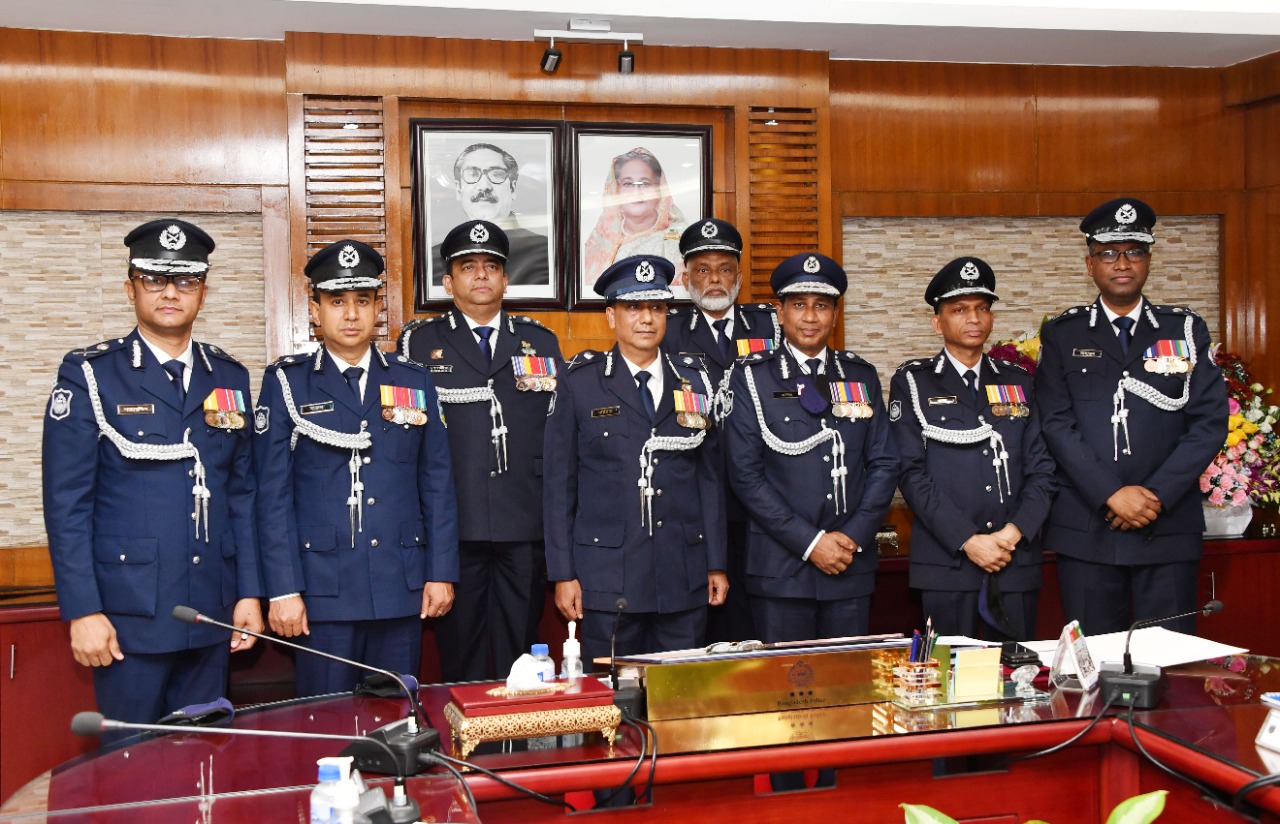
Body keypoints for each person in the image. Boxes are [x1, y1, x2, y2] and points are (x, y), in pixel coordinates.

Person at [42, 218, 263, 725]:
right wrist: (82, 611)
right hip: (127, 619)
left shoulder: (227, 375)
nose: (170, 293)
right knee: (130, 772)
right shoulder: (92, 374)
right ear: (130, 288)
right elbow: (67, 505)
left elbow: (241, 495)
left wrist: (249, 592)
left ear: (203, 293)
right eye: (154, 280)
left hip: (210, 612)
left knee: (204, 769)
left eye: (185, 280)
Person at [254, 239, 459, 696]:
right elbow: (271, 496)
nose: (350, 315)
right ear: (315, 310)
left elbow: (437, 483)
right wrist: (283, 589)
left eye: (362, 301)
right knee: (327, 729)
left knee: (396, 727)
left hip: (400, 586)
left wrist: (440, 571)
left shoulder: (413, 380)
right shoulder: (287, 382)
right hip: (322, 591)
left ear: (377, 308)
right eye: (337, 302)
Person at [1035, 198, 1227, 635]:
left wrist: (1154, 495)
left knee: (1170, 668)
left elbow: (1209, 422)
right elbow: (1056, 424)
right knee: (1095, 669)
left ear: (1148, 260)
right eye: (1108, 253)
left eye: (1134, 252)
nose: (1122, 263)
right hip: (1088, 529)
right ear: (1090, 264)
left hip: (1167, 528)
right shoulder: (1064, 333)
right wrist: (1111, 494)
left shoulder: (1184, 330)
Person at [399, 220, 563, 682]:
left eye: (491, 266)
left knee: (522, 653)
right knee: (461, 650)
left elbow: (554, 437)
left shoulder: (541, 341)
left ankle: (518, 748)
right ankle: (465, 742)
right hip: (457, 522)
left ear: (506, 279)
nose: (481, 276)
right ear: (448, 282)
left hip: (523, 521)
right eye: (468, 267)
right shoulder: (420, 342)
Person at [544, 254, 727, 666]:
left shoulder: (695, 380)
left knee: (680, 703)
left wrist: (716, 563)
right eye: (633, 307)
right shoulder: (581, 382)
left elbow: (709, 481)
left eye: (656, 308)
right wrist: (562, 574)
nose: (646, 319)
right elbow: (558, 488)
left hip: (682, 575)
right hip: (607, 578)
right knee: (611, 707)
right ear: (611, 316)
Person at [725, 252, 899, 643]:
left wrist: (851, 536)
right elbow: (745, 476)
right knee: (784, 690)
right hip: (780, 569)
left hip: (849, 564)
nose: (809, 317)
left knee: (846, 689)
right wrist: (811, 543)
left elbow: (885, 463)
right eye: (799, 305)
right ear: (780, 313)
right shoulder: (751, 376)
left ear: (835, 315)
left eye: (821, 306)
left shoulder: (860, 375)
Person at [888, 257, 1056, 641]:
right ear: (937, 322)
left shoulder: (1019, 382)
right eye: (959, 310)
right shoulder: (914, 383)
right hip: (948, 563)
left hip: (1015, 558)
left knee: (1017, 680)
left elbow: (1043, 469)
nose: (974, 319)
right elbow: (911, 473)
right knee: (950, 682)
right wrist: (969, 540)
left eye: (982, 308)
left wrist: (1013, 533)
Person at [663, 218, 780, 642]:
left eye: (725, 268)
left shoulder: (773, 326)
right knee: (703, 610)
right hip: (695, 491)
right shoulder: (667, 330)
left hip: (766, 494)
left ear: (740, 276)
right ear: (685, 277)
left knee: (761, 607)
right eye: (702, 269)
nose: (714, 279)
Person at [430, 143, 550, 287]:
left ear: (512, 188)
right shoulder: (434, 259)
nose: (484, 186)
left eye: (496, 174)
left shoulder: (543, 252)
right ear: (458, 189)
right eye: (472, 174)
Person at [582, 148, 687, 288]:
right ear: (615, 189)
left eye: (645, 184)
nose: (637, 192)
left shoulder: (681, 240)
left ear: (659, 189)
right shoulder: (598, 242)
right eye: (628, 183)